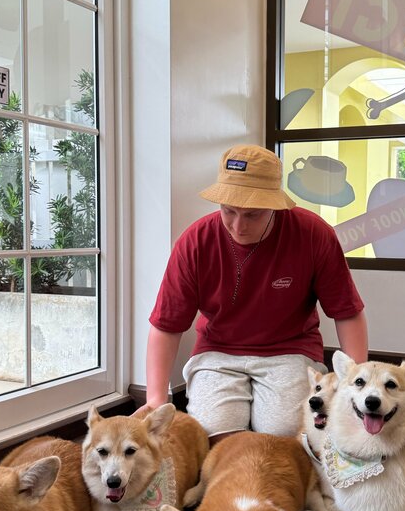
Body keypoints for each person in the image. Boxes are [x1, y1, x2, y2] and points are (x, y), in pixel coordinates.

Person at [143, 144, 368, 438]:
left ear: (274, 205)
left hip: (289, 349)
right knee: (212, 434)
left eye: (252, 215)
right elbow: (166, 325)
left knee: (285, 433)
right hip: (217, 352)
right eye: (229, 212)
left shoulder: (313, 234)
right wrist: (156, 398)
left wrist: (357, 384)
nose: (238, 226)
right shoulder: (195, 241)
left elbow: (347, 312)